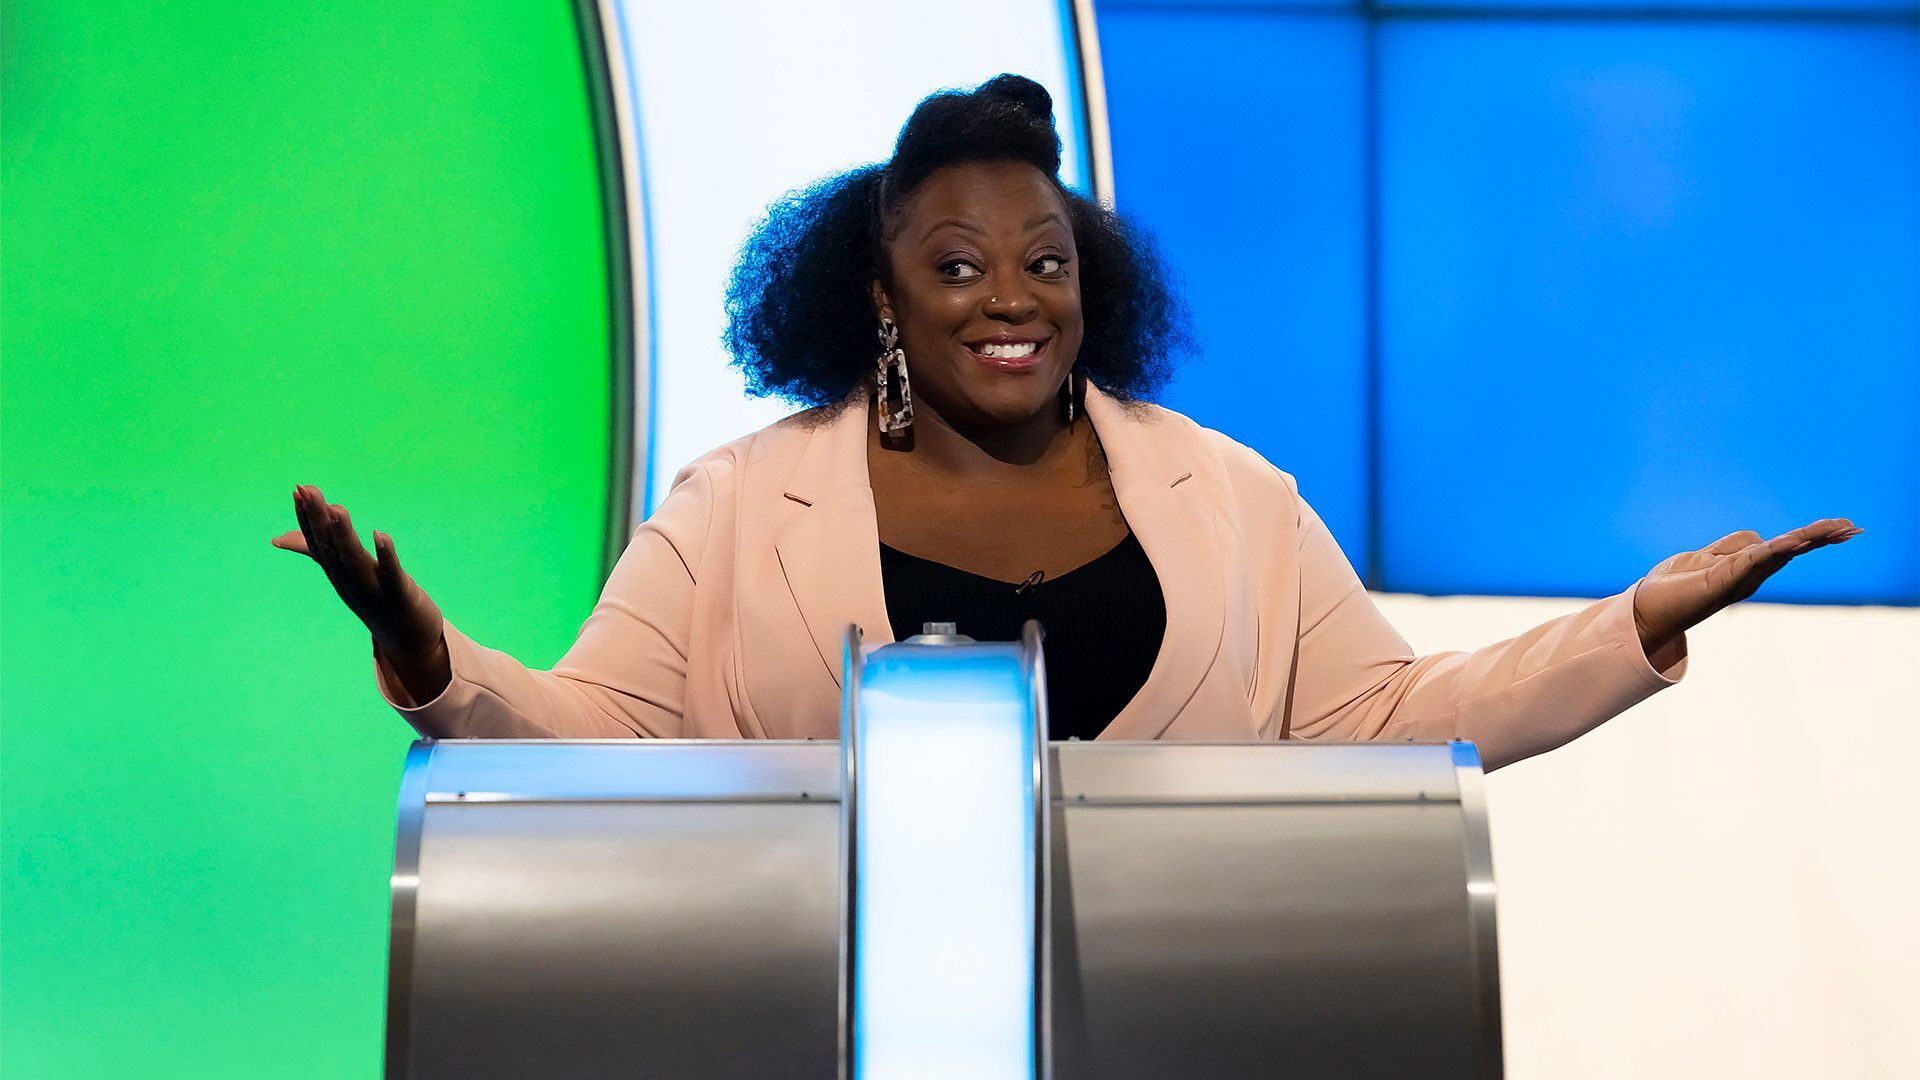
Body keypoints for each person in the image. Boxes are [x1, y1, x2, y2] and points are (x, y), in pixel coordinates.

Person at [272, 75, 1859, 770]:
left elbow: (1382, 728)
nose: (1008, 297)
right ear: (876, 295)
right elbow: (605, 746)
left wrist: (1630, 625)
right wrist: (430, 659)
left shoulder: (1231, 495)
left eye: (1045, 259)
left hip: (1175, 1026)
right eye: (954, 266)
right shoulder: (741, 504)